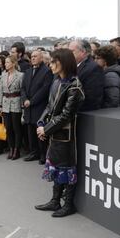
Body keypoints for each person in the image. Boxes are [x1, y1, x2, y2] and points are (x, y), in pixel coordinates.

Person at [34, 48, 85, 218]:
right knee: (55, 166)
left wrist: (46, 129)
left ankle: (68, 204)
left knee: (66, 168)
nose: (51, 64)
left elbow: (66, 115)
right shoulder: (56, 82)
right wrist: (41, 123)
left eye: (54, 61)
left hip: (67, 136)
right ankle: (55, 200)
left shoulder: (75, 85)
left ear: (64, 62)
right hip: (54, 133)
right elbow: (49, 107)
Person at [21, 50, 53, 164]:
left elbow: (44, 89)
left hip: (39, 106)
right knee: (30, 130)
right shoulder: (28, 71)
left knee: (40, 131)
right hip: (28, 106)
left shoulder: (47, 71)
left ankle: (43, 154)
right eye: (32, 56)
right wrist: (24, 99)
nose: (33, 58)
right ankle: (34, 152)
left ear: (41, 58)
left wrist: (32, 101)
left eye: (35, 56)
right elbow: (23, 87)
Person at [0, 56, 24, 160]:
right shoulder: (3, 75)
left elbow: (22, 92)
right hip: (5, 104)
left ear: (13, 63)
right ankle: (11, 148)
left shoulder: (21, 75)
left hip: (16, 102)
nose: (5, 64)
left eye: (8, 62)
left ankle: (17, 150)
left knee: (16, 128)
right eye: (5, 62)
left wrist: (22, 106)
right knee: (8, 128)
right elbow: (0, 91)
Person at [69, 40, 104, 111]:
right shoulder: (71, 65)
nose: (69, 54)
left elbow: (92, 97)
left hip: (82, 114)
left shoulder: (93, 68)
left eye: (72, 51)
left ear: (83, 52)